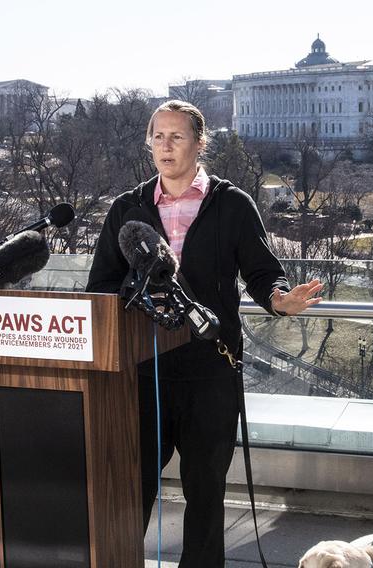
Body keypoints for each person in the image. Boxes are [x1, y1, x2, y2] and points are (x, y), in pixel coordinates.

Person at [86, 100, 322, 567]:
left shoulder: (231, 203)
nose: (166, 146)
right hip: (143, 372)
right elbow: (100, 287)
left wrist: (279, 299)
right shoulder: (126, 208)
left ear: (199, 143)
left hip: (211, 370)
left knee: (206, 493)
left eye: (177, 137)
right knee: (131, 489)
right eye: (158, 136)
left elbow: (261, 273)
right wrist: (136, 294)